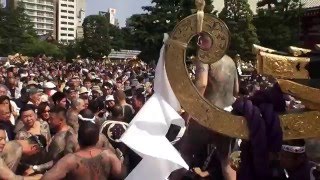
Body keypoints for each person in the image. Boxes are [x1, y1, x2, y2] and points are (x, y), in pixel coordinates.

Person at [42, 121, 125, 180]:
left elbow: (46, 178)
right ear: (97, 140)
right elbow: (121, 174)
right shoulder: (108, 155)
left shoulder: (70, 160)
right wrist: (120, 159)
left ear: (78, 140)